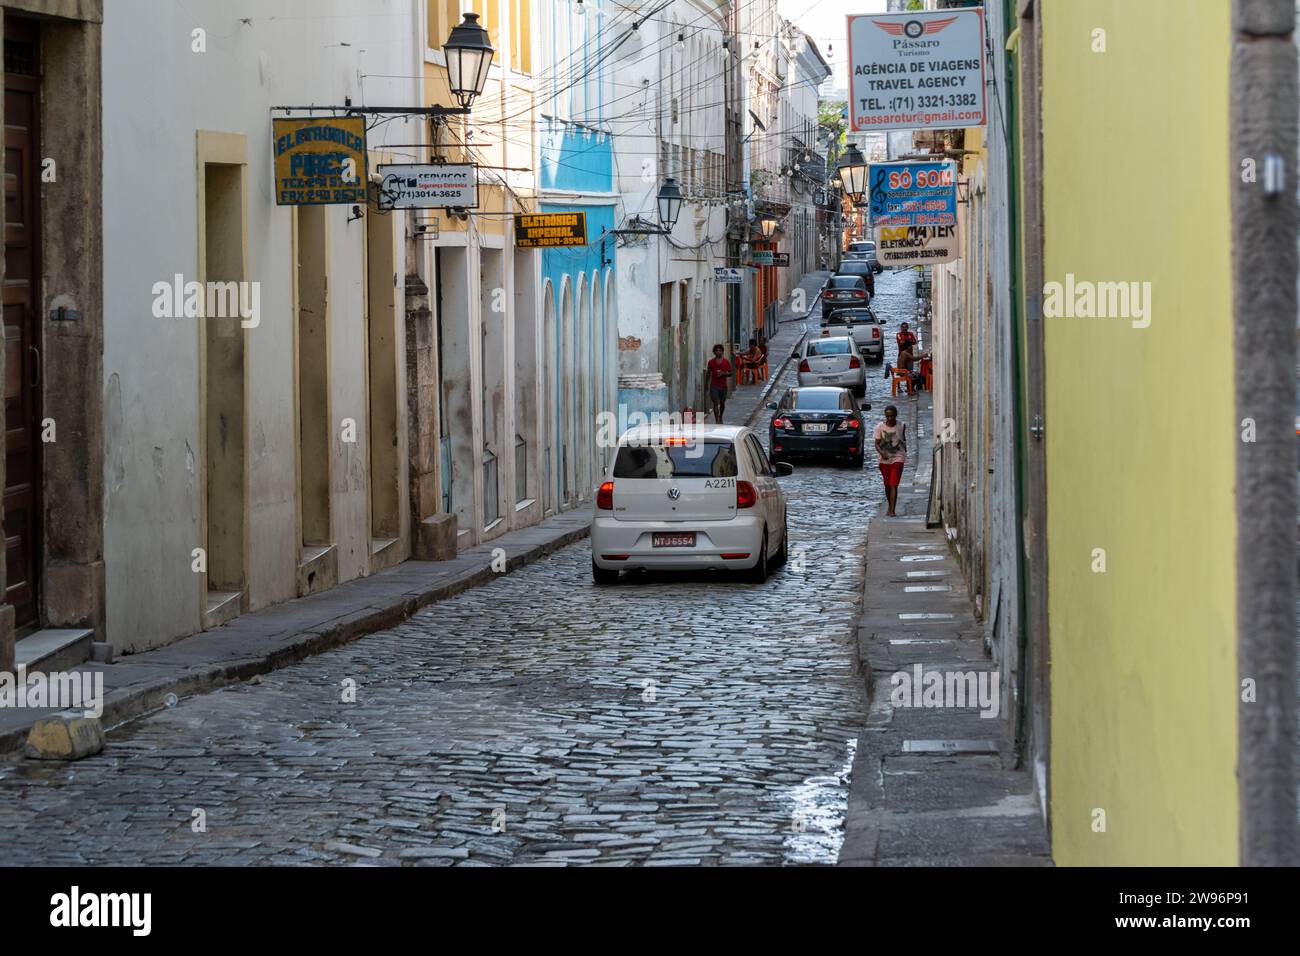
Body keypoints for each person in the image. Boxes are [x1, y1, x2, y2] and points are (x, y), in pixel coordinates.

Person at [873, 405, 907, 517]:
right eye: (888, 416)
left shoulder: (901, 425)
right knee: (887, 485)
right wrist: (882, 453)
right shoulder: (880, 427)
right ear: (885, 416)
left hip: (898, 457)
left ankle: (892, 510)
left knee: (894, 484)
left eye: (892, 416)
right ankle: (889, 506)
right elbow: (876, 443)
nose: (890, 418)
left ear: (896, 415)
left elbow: (903, 439)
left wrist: (903, 452)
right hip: (884, 460)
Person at [706, 343, 733, 423]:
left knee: (722, 403)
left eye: (720, 351)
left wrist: (723, 373)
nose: (718, 352)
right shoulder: (711, 362)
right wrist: (706, 385)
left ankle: (720, 416)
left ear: (722, 352)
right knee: (715, 402)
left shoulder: (726, 362)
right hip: (714, 385)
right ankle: (717, 420)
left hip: (723, 386)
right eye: (716, 351)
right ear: (714, 352)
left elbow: (731, 373)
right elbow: (708, 373)